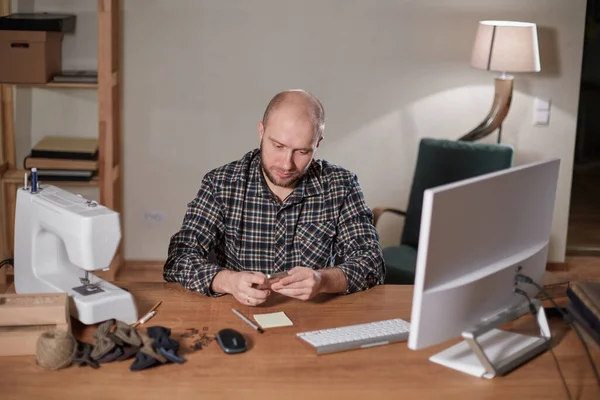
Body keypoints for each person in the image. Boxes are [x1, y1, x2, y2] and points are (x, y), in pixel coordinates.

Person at [163, 89, 385, 306]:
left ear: (317, 144)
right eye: (278, 146)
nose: (286, 164)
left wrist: (323, 280)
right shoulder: (221, 184)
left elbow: (372, 263)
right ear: (261, 132)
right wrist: (228, 281)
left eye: (302, 152)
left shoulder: (341, 185)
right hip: (237, 311)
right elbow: (179, 259)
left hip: (313, 314)